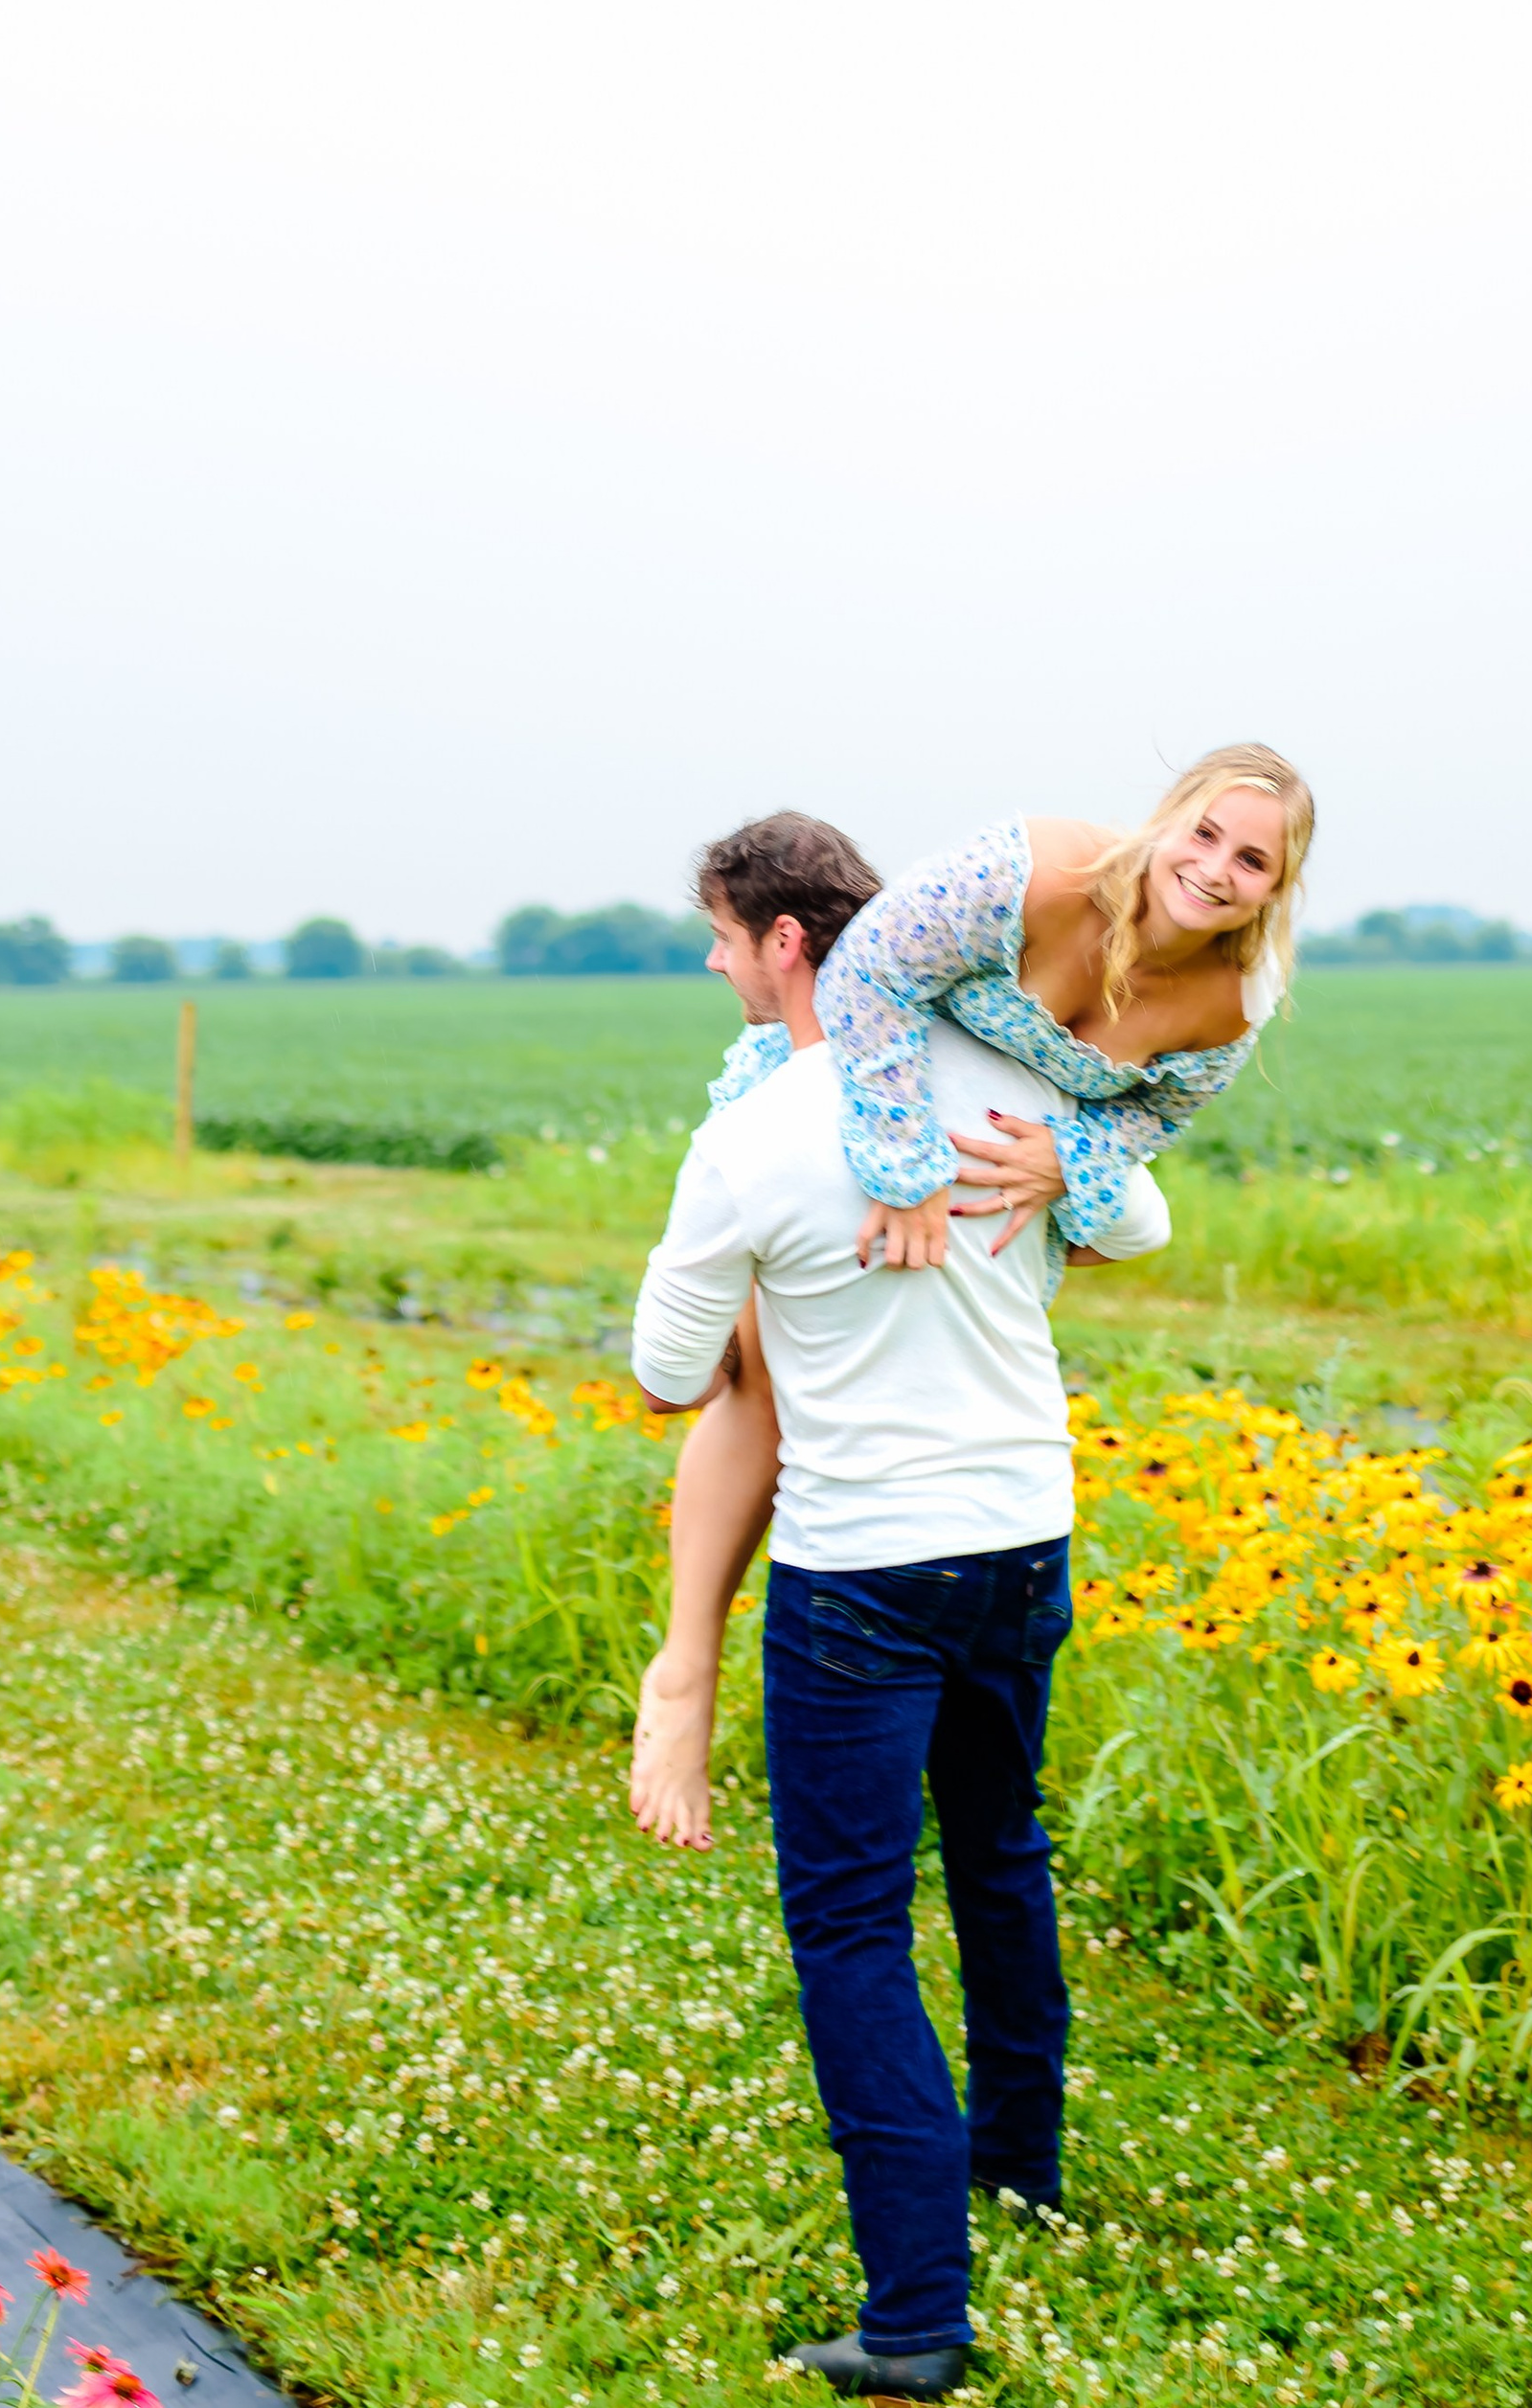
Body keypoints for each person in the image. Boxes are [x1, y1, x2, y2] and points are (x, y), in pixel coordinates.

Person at [629, 955, 1172, 2397]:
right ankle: (1019, 2168)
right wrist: (1066, 1173)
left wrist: (756, 1282)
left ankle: (918, 2311)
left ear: (785, 948)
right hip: (1022, 1536)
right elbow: (1142, 1216)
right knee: (1002, 1851)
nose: (712, 964)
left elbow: (669, 1372)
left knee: (852, 1921)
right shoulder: (1005, 1073)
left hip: (863, 1566)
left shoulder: (750, 1133)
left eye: (722, 938)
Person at [629, 750, 1312, 1850]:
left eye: (1252, 858)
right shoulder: (1035, 868)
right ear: (1162, 821)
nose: (1216, 868)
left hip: (1002, 1153)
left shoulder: (1233, 1002)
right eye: (1202, 833)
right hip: (877, 1078)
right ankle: (686, 1667)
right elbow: (864, 981)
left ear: (1279, 886)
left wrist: (1068, 1169)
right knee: (761, 1377)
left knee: (916, 1364)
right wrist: (906, 1170)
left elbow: (1145, 1125)